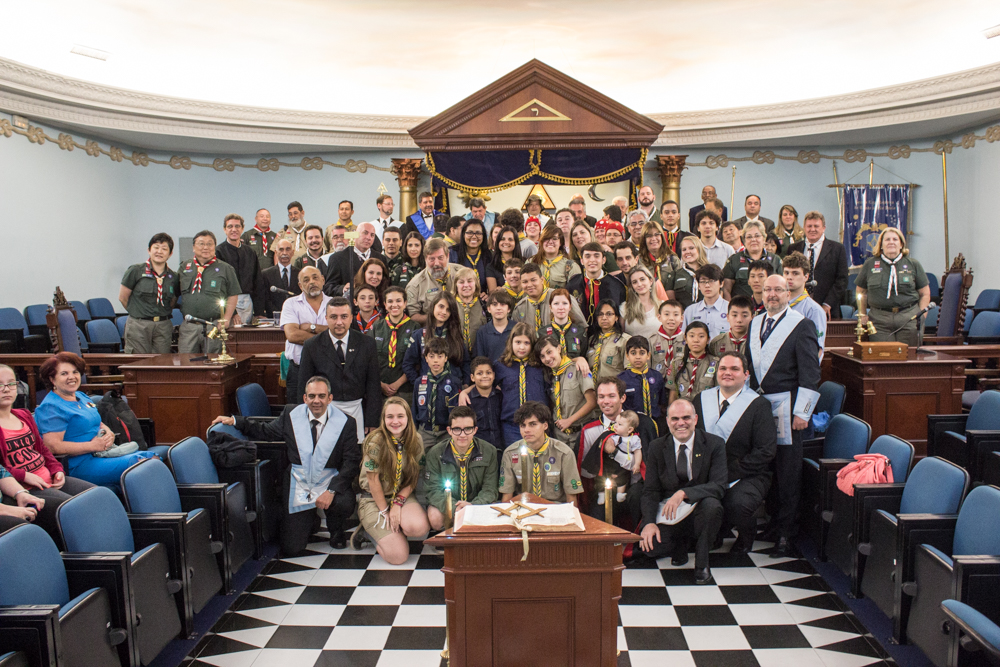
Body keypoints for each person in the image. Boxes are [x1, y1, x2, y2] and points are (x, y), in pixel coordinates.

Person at [215, 376, 359, 552]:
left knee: (344, 502)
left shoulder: (346, 423)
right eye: (312, 396)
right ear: (305, 398)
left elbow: (351, 461)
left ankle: (335, 528)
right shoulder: (291, 415)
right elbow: (265, 431)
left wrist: (331, 491)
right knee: (292, 548)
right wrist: (237, 421)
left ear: (330, 398)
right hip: (300, 479)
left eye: (322, 396)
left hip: (329, 479)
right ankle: (309, 520)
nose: (316, 401)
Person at [748, 274, 821, 557]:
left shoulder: (802, 325)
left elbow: (810, 373)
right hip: (760, 407)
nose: (772, 295)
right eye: (768, 290)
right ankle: (773, 524)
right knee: (768, 468)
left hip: (789, 409)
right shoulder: (756, 323)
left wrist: (802, 412)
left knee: (788, 472)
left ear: (788, 294)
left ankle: (787, 534)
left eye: (778, 290)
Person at [693, 352, 777, 554]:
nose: (727, 373)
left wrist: (728, 472)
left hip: (747, 473)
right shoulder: (701, 399)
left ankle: (746, 535)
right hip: (709, 471)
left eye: (734, 369)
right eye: (723, 369)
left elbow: (765, 451)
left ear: (746, 374)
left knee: (737, 503)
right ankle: (714, 534)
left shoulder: (759, 405)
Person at [34, 353, 155, 490]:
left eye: (75, 372)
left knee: (152, 458)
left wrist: (108, 432)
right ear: (52, 379)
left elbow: (97, 422)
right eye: (64, 373)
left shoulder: (81, 396)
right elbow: (53, 446)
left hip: (102, 455)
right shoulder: (51, 407)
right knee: (144, 463)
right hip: (78, 465)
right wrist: (93, 446)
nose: (72, 377)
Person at [0, 364, 93, 542]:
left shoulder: (23, 415)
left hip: (48, 477)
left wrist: (56, 469)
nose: (6, 389)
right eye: (0, 385)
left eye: (11, 384)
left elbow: (42, 449)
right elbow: (1, 468)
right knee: (74, 509)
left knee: (97, 496)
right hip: (26, 487)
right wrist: (23, 475)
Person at [637, 399, 727, 583]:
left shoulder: (715, 444)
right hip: (671, 512)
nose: (681, 423)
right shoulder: (656, 447)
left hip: (700, 507)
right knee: (650, 548)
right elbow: (651, 490)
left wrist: (683, 494)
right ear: (668, 421)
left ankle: (702, 562)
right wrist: (649, 523)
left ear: (695, 419)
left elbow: (718, 485)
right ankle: (680, 544)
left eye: (686, 418)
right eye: (675, 418)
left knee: (713, 505)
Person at [351, 397, 430, 563]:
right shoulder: (375, 441)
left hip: (400, 494)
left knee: (419, 528)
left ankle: (393, 529)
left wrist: (398, 503)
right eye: (390, 417)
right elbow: (373, 481)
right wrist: (385, 511)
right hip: (374, 499)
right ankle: (367, 532)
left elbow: (414, 476)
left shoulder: (416, 440)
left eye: (400, 416)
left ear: (408, 417)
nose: (395, 421)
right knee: (398, 557)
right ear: (383, 419)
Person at [296, 298, 383, 443]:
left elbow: (373, 384)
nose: (339, 322)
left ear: (351, 318)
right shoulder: (312, 345)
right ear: (326, 318)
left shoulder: (367, 343)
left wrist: (372, 420)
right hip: (325, 410)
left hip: (357, 408)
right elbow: (304, 385)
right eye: (333, 317)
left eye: (344, 317)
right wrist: (305, 418)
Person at [463, 322, 545, 446]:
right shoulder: (501, 365)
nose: (522, 347)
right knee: (514, 461)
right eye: (518, 342)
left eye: (526, 343)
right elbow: (485, 382)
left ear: (532, 344)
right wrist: (465, 391)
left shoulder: (540, 365)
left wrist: (579, 359)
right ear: (510, 342)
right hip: (511, 425)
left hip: (537, 423)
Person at [424, 406, 499, 531]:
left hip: (476, 502)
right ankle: (448, 538)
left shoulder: (489, 451)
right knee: (435, 517)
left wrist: (473, 506)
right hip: (450, 503)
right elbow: (433, 490)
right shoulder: (435, 453)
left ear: (475, 430)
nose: (462, 435)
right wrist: (454, 507)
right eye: (457, 429)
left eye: (468, 429)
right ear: (449, 430)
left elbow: (490, 488)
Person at [855, 227, 930, 345]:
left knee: (909, 357)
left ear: (901, 244)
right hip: (879, 320)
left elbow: (924, 293)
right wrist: (863, 313)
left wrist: (921, 316)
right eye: (887, 239)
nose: (891, 242)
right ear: (881, 245)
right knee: (884, 357)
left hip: (909, 318)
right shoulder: (870, 264)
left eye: (895, 239)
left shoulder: (913, 264)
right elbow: (861, 291)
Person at [499, 402, 583, 505]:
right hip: (522, 508)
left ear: (545, 425)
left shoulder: (564, 453)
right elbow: (507, 496)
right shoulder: (510, 453)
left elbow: (571, 497)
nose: (527, 430)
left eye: (533, 424)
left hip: (554, 510)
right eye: (522, 425)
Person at [178, 231, 240, 353]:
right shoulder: (184, 267)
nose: (205, 247)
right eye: (201, 244)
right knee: (186, 363)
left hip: (214, 325)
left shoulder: (226, 269)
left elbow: (233, 295)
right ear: (193, 247)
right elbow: (176, 293)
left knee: (213, 363)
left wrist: (226, 319)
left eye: (209, 244)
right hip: (189, 326)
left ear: (215, 247)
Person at [119, 232, 179, 354]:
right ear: (149, 250)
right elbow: (123, 297)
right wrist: (139, 313)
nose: (159, 252)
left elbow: (172, 301)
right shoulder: (135, 270)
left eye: (164, 249)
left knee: (162, 363)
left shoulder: (173, 277)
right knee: (138, 363)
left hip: (163, 326)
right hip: (139, 325)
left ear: (170, 253)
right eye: (156, 248)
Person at [279, 267, 331, 405]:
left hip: (329, 370)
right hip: (298, 370)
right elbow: (293, 335)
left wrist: (310, 327)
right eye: (306, 280)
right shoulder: (291, 304)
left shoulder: (334, 303)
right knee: (298, 414)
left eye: (315, 278)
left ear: (323, 280)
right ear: (301, 286)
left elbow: (340, 332)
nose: (312, 282)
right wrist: (326, 335)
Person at [581, 410, 642, 525]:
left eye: (619, 424)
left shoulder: (635, 438)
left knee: (623, 481)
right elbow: (598, 452)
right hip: (607, 472)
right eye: (615, 423)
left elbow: (638, 458)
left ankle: (620, 493)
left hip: (628, 480)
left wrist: (615, 453)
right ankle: (601, 493)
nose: (615, 426)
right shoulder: (608, 434)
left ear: (630, 429)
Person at [788, 211, 850, 320]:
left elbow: (842, 280)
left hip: (827, 308)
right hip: (797, 308)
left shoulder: (837, 249)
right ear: (804, 228)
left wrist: (827, 304)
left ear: (823, 228)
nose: (812, 229)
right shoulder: (793, 249)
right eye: (809, 226)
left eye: (816, 226)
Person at [536, 335, 596, 445]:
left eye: (549, 352)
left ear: (559, 349)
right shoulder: (550, 376)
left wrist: (570, 420)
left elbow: (592, 402)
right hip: (559, 435)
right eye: (542, 356)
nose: (547, 358)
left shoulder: (579, 368)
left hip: (580, 433)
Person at [402, 292, 468, 387]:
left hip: (454, 388)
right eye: (441, 306)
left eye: (448, 310)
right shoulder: (419, 335)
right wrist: (419, 383)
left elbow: (465, 362)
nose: (444, 312)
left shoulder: (455, 334)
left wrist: (465, 384)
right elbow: (408, 364)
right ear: (433, 306)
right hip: (428, 389)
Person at [369, 286, 420, 404]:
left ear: (405, 303)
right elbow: (368, 359)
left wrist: (398, 384)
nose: (394, 305)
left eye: (398, 301)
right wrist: (380, 384)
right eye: (390, 301)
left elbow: (417, 362)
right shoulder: (377, 327)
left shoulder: (414, 327)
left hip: (405, 390)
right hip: (379, 389)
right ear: (385, 305)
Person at [411, 338, 463, 452]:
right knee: (421, 464)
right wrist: (414, 431)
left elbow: (455, 411)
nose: (435, 361)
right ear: (426, 359)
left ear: (446, 358)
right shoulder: (419, 382)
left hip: (446, 432)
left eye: (440, 356)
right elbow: (414, 409)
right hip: (424, 432)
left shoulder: (454, 382)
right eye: (431, 356)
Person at [568, 242, 627, 334]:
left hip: (608, 335)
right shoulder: (572, 284)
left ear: (603, 260)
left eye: (596, 256)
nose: (592, 260)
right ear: (582, 261)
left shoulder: (617, 286)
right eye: (587, 256)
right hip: (579, 335)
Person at [215, 214, 264, 323]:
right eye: (230, 226)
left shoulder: (250, 252)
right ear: (224, 229)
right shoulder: (218, 252)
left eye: (237, 226)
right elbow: (219, 286)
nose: (234, 229)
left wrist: (259, 312)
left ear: (242, 229)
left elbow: (258, 282)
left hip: (247, 302)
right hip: (227, 304)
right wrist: (232, 313)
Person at [512, 263, 586, 331]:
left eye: (533, 280)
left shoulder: (563, 298)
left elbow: (582, 327)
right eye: (525, 282)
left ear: (542, 280)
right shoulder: (520, 307)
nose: (529, 285)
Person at [405, 238, 461, 325]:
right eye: (432, 259)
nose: (436, 263)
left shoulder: (462, 274)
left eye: (440, 258)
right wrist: (436, 316)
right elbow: (413, 316)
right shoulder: (415, 285)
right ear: (425, 259)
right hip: (432, 332)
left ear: (448, 256)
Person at [723, 220, 783, 300]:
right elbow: (726, 289)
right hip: (741, 309)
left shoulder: (775, 260)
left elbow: (782, 287)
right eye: (749, 237)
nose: (753, 240)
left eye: (757, 236)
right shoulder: (734, 260)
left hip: (769, 308)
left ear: (764, 239)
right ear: (744, 240)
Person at [323, 222, 385, 298]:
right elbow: (328, 287)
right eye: (365, 233)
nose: (368, 237)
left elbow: (385, 285)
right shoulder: (337, 258)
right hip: (349, 305)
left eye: (372, 235)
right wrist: (342, 289)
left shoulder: (380, 258)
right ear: (355, 234)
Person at [784, 252, 828, 358]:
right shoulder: (777, 306)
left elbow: (817, 350)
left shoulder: (814, 310)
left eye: (795, 273)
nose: (789, 277)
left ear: (806, 277)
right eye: (786, 273)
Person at [667, 321, 718, 403]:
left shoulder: (716, 363)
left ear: (708, 340)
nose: (696, 340)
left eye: (701, 336)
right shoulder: (677, 363)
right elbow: (673, 393)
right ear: (686, 339)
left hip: (706, 409)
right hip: (682, 410)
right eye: (692, 336)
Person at [619, 336, 665, 422]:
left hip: (655, 423)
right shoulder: (621, 379)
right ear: (627, 356)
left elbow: (661, 403)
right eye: (633, 353)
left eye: (642, 353)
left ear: (648, 355)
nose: (638, 357)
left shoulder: (657, 376)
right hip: (631, 424)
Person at [586, 300, 631, 381]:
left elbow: (629, 373)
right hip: (593, 390)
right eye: (600, 314)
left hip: (614, 390)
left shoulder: (624, 341)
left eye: (609, 314)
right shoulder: (592, 340)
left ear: (616, 317)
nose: (604, 318)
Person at [465, 358, 503, 451]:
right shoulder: (467, 400)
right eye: (479, 373)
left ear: (494, 375)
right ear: (472, 377)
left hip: (500, 448)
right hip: (478, 450)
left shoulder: (501, 396)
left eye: (488, 373)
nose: (485, 376)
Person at [537, 289, 587, 359]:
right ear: (550, 307)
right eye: (556, 303)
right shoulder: (542, 333)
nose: (561, 308)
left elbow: (584, 355)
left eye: (565, 303)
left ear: (570, 307)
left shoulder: (580, 332)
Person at [661, 236, 708, 311]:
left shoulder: (711, 272)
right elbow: (672, 304)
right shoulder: (675, 274)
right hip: (684, 317)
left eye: (691, 248)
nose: (687, 252)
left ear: (699, 249)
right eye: (684, 249)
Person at [683, 264, 730, 339]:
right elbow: (684, 339)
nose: (707, 285)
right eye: (703, 282)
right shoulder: (690, 311)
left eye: (711, 281)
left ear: (721, 283)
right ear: (698, 285)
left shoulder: (730, 309)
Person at [451, 219, 494, 296]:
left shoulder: (489, 255)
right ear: (463, 234)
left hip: (482, 301)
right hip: (458, 300)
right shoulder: (452, 253)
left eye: (478, 233)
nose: (474, 237)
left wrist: (487, 295)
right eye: (470, 233)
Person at [621, 265, 662, 344]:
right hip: (634, 354)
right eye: (634, 282)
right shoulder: (624, 308)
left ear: (650, 281)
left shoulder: (662, 306)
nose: (639, 284)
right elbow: (622, 336)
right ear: (632, 286)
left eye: (642, 279)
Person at [261, 238, 299, 318]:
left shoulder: (300, 274)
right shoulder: (266, 274)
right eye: (281, 250)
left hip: (296, 317)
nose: (284, 253)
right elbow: (265, 298)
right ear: (276, 252)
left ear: (293, 252)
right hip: (273, 317)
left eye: (288, 249)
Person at [473, 290, 515, 362]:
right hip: (491, 371)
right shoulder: (482, 332)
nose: (498, 308)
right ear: (489, 309)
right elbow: (480, 359)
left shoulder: (517, 328)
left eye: (502, 304)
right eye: (494, 304)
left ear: (509, 309)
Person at [536, 224, 581, 289]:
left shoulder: (571, 266)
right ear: (542, 241)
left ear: (560, 243)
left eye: (554, 239)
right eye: (547, 238)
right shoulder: (531, 262)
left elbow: (576, 294)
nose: (550, 242)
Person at [638, 222, 682, 287]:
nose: (653, 238)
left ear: (662, 237)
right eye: (649, 236)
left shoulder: (673, 260)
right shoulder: (639, 261)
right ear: (644, 239)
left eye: (656, 234)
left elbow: (680, 284)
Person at [453, 268, 486, 353]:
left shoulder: (484, 304)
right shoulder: (449, 304)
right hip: (455, 354)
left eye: (470, 281)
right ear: (456, 285)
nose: (466, 285)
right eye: (461, 282)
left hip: (479, 353)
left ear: (476, 284)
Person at [651, 300, 684, 376]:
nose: (671, 318)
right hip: (657, 383)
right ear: (659, 317)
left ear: (682, 318)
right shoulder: (652, 341)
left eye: (676, 314)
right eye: (666, 314)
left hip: (680, 383)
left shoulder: (687, 340)